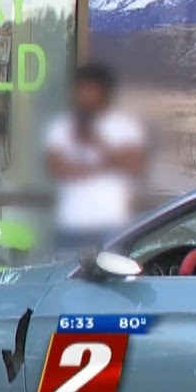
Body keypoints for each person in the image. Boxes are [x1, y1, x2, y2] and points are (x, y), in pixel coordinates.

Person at [44, 63, 148, 261]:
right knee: (66, 284)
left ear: (105, 91)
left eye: (92, 89)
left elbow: (134, 167)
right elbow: (57, 169)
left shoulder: (125, 125)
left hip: (113, 224)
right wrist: (108, 164)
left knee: (113, 284)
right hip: (72, 223)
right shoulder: (63, 125)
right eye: (82, 89)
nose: (86, 95)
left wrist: (98, 142)